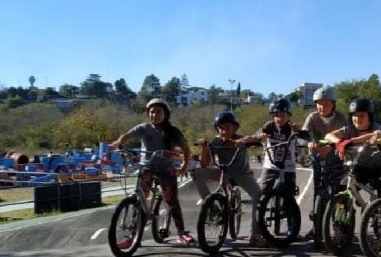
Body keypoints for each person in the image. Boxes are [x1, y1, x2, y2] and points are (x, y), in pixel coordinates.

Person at [110, 98, 195, 246]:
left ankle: (181, 233)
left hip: (166, 169)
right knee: (139, 200)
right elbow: (126, 136)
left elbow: (186, 150)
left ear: (165, 114)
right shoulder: (143, 128)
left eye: (158, 112)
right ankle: (133, 236)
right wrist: (119, 144)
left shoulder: (172, 131)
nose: (154, 115)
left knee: (171, 201)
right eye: (152, 112)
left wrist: (183, 166)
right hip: (146, 168)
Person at [192, 110, 265, 247]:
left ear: (235, 127)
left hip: (242, 174)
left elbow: (251, 139)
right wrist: (203, 147)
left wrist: (242, 141)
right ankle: (212, 206)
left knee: (258, 194)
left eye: (228, 128)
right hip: (223, 172)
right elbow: (204, 163)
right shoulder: (216, 141)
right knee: (197, 172)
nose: (225, 131)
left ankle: (255, 234)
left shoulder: (240, 138)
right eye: (221, 128)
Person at [236, 98, 302, 237]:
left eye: (283, 115)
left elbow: (305, 137)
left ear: (289, 115)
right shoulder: (269, 126)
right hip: (271, 164)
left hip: (288, 166)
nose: (280, 118)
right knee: (263, 194)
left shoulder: (292, 127)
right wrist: (251, 138)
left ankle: (292, 228)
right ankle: (258, 229)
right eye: (276, 115)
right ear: (272, 116)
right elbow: (255, 136)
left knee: (290, 198)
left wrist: (300, 131)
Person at [301, 85, 348, 239]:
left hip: (336, 159)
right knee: (318, 193)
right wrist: (308, 143)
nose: (322, 107)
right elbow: (303, 134)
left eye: (326, 103)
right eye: (319, 103)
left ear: (333, 104)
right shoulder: (312, 117)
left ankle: (340, 229)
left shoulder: (340, 118)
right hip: (318, 159)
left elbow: (347, 134)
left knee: (340, 194)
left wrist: (330, 146)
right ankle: (316, 228)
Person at [325, 97, 381, 190]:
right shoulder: (349, 129)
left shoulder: (376, 127)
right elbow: (328, 135)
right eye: (355, 115)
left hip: (378, 168)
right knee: (342, 188)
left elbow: (375, 135)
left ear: (369, 117)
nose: (357, 119)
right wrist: (340, 142)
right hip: (359, 168)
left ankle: (376, 203)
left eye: (362, 115)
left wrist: (350, 141)